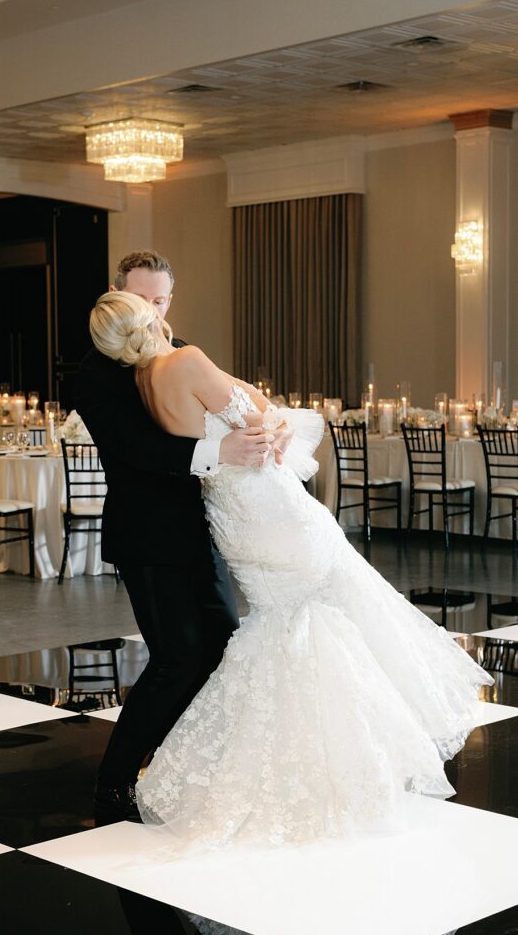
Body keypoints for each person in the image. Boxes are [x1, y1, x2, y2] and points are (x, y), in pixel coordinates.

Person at [89, 289, 493, 848]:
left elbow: (239, 414)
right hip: (269, 508)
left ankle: (286, 761)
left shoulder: (143, 379)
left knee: (282, 627)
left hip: (232, 517)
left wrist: (263, 421)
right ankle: (349, 759)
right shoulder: (185, 359)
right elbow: (254, 408)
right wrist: (272, 422)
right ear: (152, 316)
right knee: (333, 610)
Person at [75, 251, 289, 825]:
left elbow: (233, 395)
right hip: (146, 534)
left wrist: (275, 421)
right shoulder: (92, 368)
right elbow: (132, 449)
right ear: (116, 293)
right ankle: (113, 781)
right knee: (176, 659)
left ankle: (180, 768)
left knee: (223, 648)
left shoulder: (176, 347)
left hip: (204, 529)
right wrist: (216, 451)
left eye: (161, 301)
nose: (152, 312)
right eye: (142, 299)